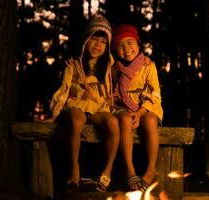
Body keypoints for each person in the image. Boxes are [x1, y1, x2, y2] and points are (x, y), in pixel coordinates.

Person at [43, 14, 120, 192]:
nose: (98, 45)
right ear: (86, 39)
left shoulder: (108, 65)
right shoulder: (74, 63)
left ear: (107, 46)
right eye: (94, 39)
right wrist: (55, 114)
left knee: (113, 122)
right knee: (77, 121)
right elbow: (63, 89)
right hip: (75, 104)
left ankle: (106, 172)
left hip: (97, 107)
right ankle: (74, 169)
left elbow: (112, 88)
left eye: (103, 42)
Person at [111, 24, 163, 192]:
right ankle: (130, 169)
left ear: (138, 44)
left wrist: (140, 113)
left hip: (146, 107)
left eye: (130, 42)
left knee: (149, 121)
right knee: (124, 119)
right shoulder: (114, 68)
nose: (126, 48)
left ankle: (151, 169)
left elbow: (154, 93)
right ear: (115, 50)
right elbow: (109, 92)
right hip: (121, 108)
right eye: (120, 45)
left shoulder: (148, 66)